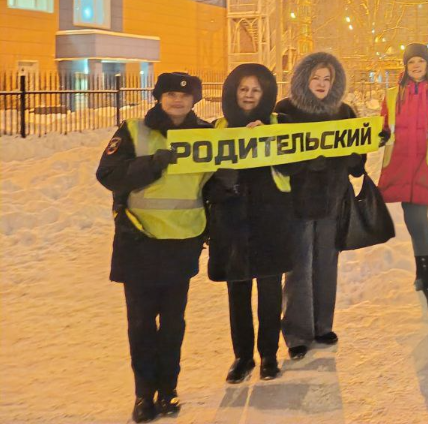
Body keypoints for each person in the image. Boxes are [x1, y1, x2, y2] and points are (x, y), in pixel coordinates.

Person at [96, 72, 236, 423]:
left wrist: (226, 184)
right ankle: (144, 395)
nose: (178, 100)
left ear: (195, 100)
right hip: (138, 241)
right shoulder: (133, 130)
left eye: (185, 96)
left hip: (182, 243)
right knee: (141, 323)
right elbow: (108, 174)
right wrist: (152, 165)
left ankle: (168, 390)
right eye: (171, 94)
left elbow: (215, 181)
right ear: (159, 97)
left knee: (173, 323)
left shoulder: (205, 135)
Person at [207, 64, 295, 383]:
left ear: (265, 94)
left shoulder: (280, 124)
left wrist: (268, 143)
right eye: (243, 89)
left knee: (270, 292)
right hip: (232, 223)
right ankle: (243, 357)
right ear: (233, 92)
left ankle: (269, 356)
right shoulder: (217, 128)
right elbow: (206, 178)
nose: (248, 95)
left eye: (255, 90)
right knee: (238, 293)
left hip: (271, 221)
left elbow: (295, 168)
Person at [275, 52, 365, 359]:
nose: (322, 84)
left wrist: (366, 145)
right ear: (303, 79)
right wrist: (308, 163)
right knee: (299, 268)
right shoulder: (285, 111)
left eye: (327, 79)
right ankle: (297, 333)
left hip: (331, 203)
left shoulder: (344, 112)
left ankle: (322, 325)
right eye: (316, 78)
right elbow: (278, 158)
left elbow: (356, 164)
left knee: (326, 266)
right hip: (296, 205)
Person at [377, 43, 428, 309]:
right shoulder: (392, 96)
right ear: (405, 66)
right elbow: (383, 126)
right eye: (411, 62)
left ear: (427, 65)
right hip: (401, 166)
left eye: (420, 62)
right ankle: (420, 271)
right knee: (412, 221)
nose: (416, 66)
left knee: (417, 218)